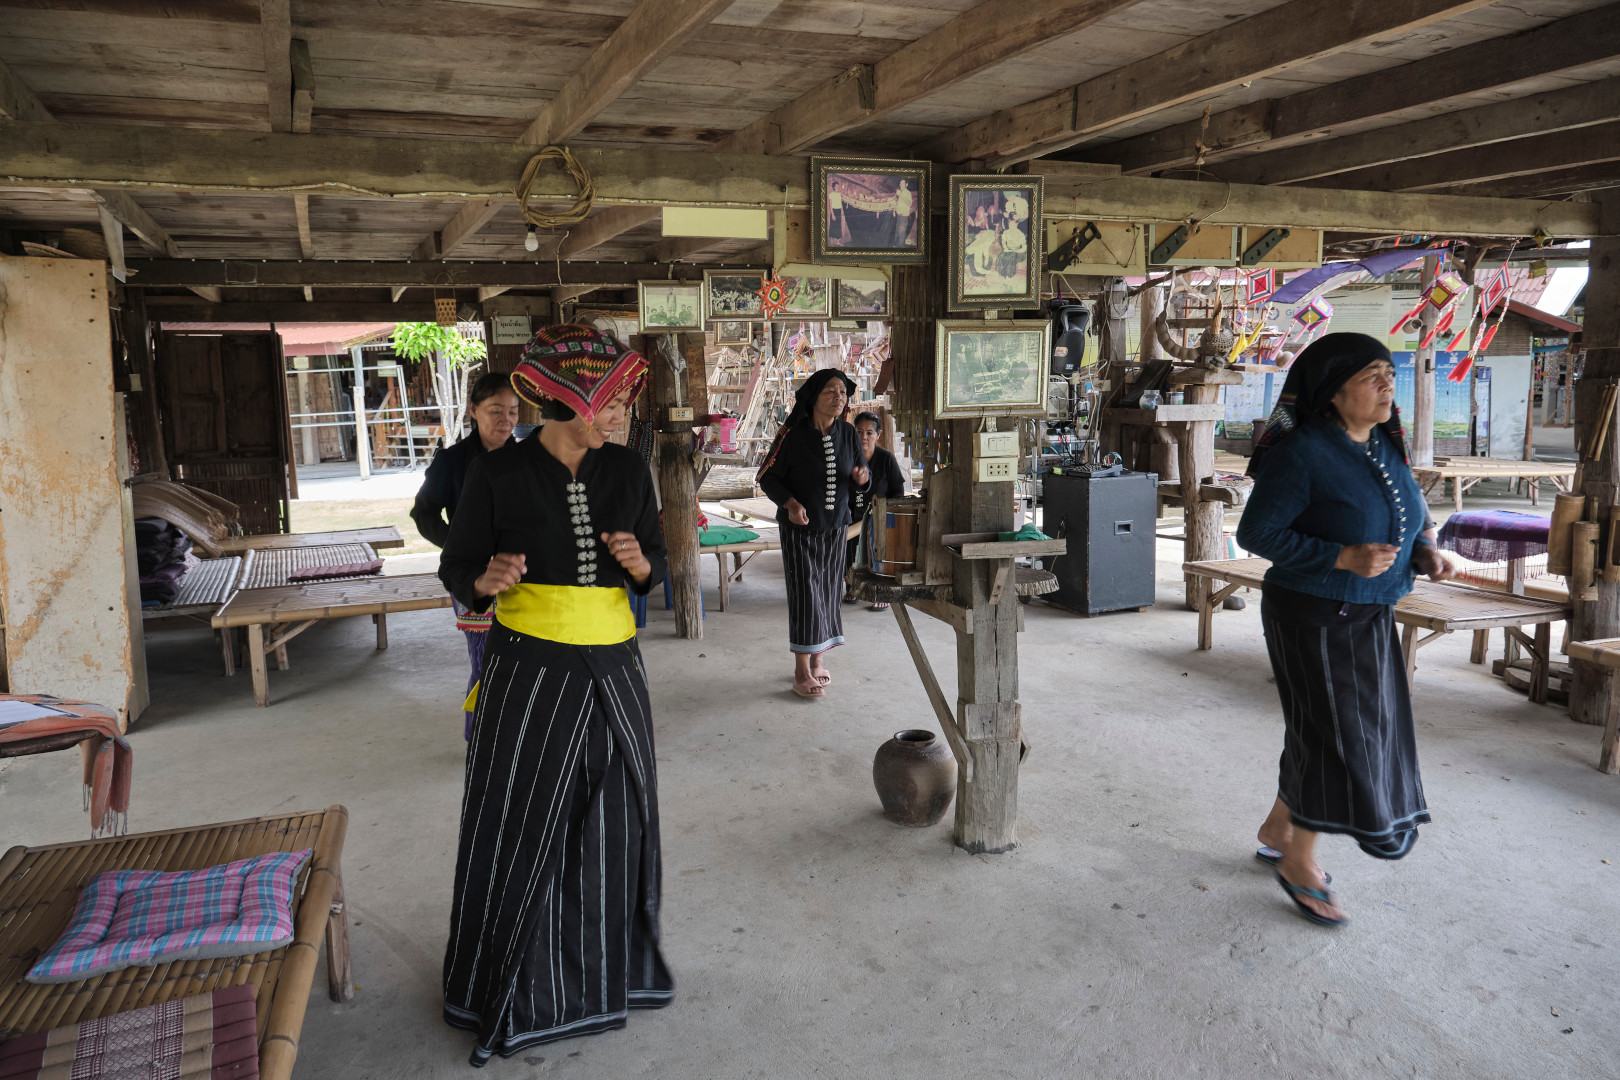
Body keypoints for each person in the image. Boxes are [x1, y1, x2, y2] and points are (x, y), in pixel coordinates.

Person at [437, 325, 672, 1064]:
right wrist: (482, 581)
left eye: (625, 403)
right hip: (528, 670)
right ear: (567, 401)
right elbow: (458, 562)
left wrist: (640, 568)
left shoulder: (631, 473)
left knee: (616, 819)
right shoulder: (498, 475)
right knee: (520, 819)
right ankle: (506, 984)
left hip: (616, 669)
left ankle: (608, 981)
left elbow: (656, 562)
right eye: (608, 403)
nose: (619, 416)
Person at [1235, 332, 1453, 929]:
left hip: (1371, 610)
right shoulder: (1302, 454)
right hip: (1313, 614)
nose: (1388, 385)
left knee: (1323, 725)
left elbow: (1414, 509)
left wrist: (1427, 548)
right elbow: (1256, 535)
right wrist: (1340, 558)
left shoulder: (1384, 443)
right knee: (1341, 735)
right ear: (1333, 394)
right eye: (1372, 376)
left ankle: (1280, 828)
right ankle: (1299, 860)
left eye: (1388, 372)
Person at [411, 371, 521, 740]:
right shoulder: (453, 462)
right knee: (485, 660)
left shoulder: (529, 461)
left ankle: (521, 734)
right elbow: (424, 514)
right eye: (495, 410)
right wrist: (461, 548)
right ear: (473, 410)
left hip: (523, 578)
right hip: (473, 580)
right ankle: (481, 740)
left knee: (524, 660)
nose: (505, 419)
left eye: (513, 410)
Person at [758, 369, 871, 699]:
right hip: (800, 529)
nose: (839, 398)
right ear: (813, 398)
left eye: (843, 393)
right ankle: (800, 671)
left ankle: (819, 660)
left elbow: (858, 471)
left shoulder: (848, 434)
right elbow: (766, 477)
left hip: (835, 527)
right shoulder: (791, 435)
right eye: (831, 392)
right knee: (805, 595)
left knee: (827, 591)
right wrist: (790, 503)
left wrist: (862, 475)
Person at [844, 411, 907, 609]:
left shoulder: (886, 458)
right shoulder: (847, 457)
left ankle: (882, 593)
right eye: (859, 432)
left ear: (878, 435)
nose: (864, 437)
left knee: (879, 555)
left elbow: (898, 491)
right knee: (850, 550)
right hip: (853, 517)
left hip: (881, 517)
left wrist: (888, 515)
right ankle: (851, 587)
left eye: (869, 433)